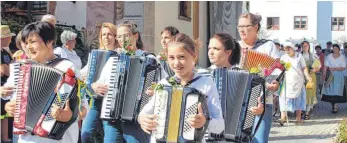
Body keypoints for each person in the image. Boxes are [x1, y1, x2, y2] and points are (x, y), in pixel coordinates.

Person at [3, 21, 87, 143]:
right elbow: (9, 97)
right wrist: (8, 107)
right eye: (26, 43)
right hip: (27, 139)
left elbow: (83, 107)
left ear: (49, 42)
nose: (28, 47)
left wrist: (69, 115)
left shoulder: (68, 68)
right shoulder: (20, 69)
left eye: (33, 42)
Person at [138, 33, 224, 143]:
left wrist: (205, 122)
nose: (176, 63)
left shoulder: (206, 84)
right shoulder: (164, 84)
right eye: (171, 58)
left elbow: (220, 124)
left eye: (182, 57)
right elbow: (143, 113)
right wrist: (142, 120)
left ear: (194, 56)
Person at [237, 12, 280, 143]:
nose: (241, 30)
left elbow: (277, 70)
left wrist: (275, 84)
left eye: (245, 26)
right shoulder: (234, 47)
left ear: (256, 27)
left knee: (259, 140)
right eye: (239, 26)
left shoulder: (268, 46)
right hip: (238, 101)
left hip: (262, 100)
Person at [80, 22, 123, 143]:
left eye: (109, 34)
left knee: (110, 140)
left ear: (115, 37)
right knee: (85, 135)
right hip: (95, 102)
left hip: (112, 103)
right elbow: (82, 75)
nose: (106, 37)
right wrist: (92, 85)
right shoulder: (96, 54)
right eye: (103, 34)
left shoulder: (121, 54)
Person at [279, 42, 312, 124]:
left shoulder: (299, 56)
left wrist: (307, 76)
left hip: (298, 81)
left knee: (299, 99)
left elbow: (304, 68)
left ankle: (298, 118)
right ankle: (283, 117)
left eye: (288, 48)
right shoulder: (283, 57)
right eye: (285, 49)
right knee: (284, 98)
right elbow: (280, 69)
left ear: (293, 48)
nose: (287, 50)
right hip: (287, 81)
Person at [0, 25, 15, 143]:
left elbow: (12, 64)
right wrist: (13, 71)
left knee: (4, 114)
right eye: (8, 37)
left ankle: (5, 138)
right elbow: (3, 71)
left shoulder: (5, 51)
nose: (10, 39)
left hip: (6, 86)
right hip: (2, 86)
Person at [321, 44, 346, 113]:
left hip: (339, 76)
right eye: (334, 48)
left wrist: (335, 68)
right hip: (330, 75)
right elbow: (325, 66)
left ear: (339, 49)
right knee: (330, 91)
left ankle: (335, 106)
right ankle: (333, 105)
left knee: (337, 91)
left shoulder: (342, 57)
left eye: (336, 48)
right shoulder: (329, 56)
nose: (335, 50)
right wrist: (324, 75)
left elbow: (343, 67)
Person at [301, 41, 321, 120]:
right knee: (302, 94)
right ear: (301, 47)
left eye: (307, 45)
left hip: (311, 77)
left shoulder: (313, 55)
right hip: (301, 77)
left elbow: (318, 66)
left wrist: (314, 70)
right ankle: (301, 110)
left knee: (309, 94)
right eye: (304, 45)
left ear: (309, 46)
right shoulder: (299, 55)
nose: (305, 47)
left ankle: (307, 112)